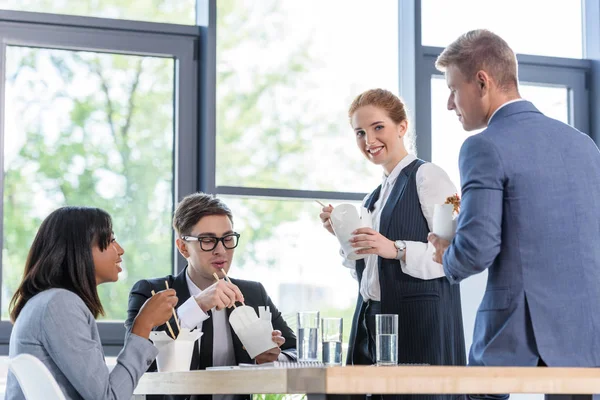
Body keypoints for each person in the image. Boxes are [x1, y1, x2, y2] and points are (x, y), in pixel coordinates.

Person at [428, 29, 600, 378]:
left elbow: (477, 250)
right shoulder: (584, 146)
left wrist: (447, 254)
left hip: (514, 332)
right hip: (587, 329)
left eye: (452, 88)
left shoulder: (484, 147)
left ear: (481, 82)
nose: (449, 103)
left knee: (476, 391)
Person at [319, 89, 466, 400]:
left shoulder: (430, 176)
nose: (368, 140)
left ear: (402, 127)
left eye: (378, 127)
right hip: (372, 320)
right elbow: (370, 274)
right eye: (360, 132)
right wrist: (344, 237)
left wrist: (396, 248)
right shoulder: (373, 197)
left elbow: (456, 253)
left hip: (420, 326)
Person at [126, 192, 296, 400]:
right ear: (182, 247)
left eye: (227, 239)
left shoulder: (253, 294)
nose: (221, 250)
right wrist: (196, 306)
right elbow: (135, 361)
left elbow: (295, 352)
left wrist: (274, 357)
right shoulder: (151, 292)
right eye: (208, 240)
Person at [5, 206, 177, 400]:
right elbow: (108, 397)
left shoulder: (46, 302)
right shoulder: (59, 305)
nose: (120, 250)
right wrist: (143, 326)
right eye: (111, 240)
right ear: (80, 249)